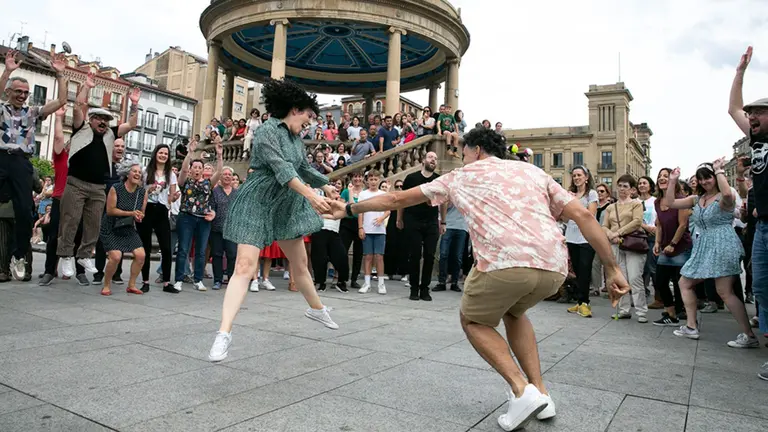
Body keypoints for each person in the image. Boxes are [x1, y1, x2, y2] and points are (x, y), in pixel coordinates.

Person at [326, 127, 629, 431]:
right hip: (553, 266)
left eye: (464, 152)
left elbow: (395, 198)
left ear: (477, 150)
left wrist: (350, 208)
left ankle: (521, 390)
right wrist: (612, 268)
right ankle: (542, 394)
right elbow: (584, 216)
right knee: (514, 312)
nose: (462, 158)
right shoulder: (533, 172)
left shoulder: (461, 176)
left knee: (473, 321)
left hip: (504, 262)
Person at [208, 78, 339, 362]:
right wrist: (312, 195)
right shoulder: (268, 130)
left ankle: (317, 309)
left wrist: (326, 185)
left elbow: (303, 168)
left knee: (300, 265)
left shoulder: (296, 140)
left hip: (285, 203)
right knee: (244, 266)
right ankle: (223, 333)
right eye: (308, 116)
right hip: (258, 200)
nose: (310, 122)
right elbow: (282, 169)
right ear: (295, 109)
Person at [665, 162, 757, 347]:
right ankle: (691, 326)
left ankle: (749, 335)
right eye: (700, 178)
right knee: (685, 283)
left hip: (723, 244)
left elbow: (728, 194)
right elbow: (671, 203)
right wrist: (672, 181)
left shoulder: (723, 197)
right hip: (704, 246)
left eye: (708, 177)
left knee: (724, 291)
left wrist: (719, 170)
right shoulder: (696, 199)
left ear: (715, 177)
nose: (704, 181)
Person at [57, 75, 141, 278]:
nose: (103, 122)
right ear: (91, 119)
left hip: (98, 186)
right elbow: (78, 106)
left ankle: (84, 255)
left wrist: (134, 104)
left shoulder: (111, 133)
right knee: (70, 220)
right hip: (76, 183)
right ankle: (66, 255)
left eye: (106, 120)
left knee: (94, 223)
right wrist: (86, 86)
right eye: (99, 119)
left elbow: (131, 124)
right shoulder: (81, 128)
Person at [0, 48, 68, 280]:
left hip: (21, 161)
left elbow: (61, 100)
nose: (22, 95)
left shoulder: (33, 112)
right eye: (18, 91)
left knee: (24, 210)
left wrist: (60, 74)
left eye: (26, 92)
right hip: (1, 157)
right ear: (8, 92)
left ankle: (19, 255)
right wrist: (7, 71)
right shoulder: (2, 109)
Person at [728, 45, 768, 380]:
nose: (752, 117)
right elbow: (733, 108)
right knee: (763, 289)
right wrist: (740, 71)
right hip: (762, 226)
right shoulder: (755, 141)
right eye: (751, 113)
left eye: (760, 113)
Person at [173, 138, 222, 292]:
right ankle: (179, 279)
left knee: (201, 251)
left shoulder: (208, 183)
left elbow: (219, 172)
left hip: (203, 219)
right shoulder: (185, 181)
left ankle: (198, 279)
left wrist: (219, 156)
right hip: (186, 217)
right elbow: (183, 171)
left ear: (202, 170)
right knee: (183, 249)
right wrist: (190, 153)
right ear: (191, 169)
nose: (197, 170)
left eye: (199, 168)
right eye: (194, 167)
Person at [601, 174, 648, 322]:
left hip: (633, 243)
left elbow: (637, 222)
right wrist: (610, 235)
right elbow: (604, 226)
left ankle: (641, 311)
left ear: (632, 189)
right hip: (615, 244)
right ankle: (623, 309)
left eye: (625, 186)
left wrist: (618, 233)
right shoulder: (611, 207)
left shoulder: (636, 204)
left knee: (635, 277)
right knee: (620, 278)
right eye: (620, 186)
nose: (622, 189)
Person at [399, 152, 444, 301]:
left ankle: (425, 288)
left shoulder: (438, 180)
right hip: (413, 220)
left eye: (436, 158)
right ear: (423, 160)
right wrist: (399, 218)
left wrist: (443, 222)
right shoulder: (411, 178)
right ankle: (414, 288)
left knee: (430, 255)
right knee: (415, 255)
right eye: (431, 157)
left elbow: (443, 201)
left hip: (431, 222)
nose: (433, 160)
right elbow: (402, 199)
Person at [98, 160, 147, 296]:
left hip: (127, 227)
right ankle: (106, 285)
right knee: (115, 256)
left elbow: (141, 212)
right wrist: (131, 213)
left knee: (141, 255)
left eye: (139, 172)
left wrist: (139, 216)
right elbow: (110, 210)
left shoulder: (142, 192)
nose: (137, 174)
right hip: (111, 226)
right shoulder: (116, 188)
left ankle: (131, 285)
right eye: (134, 171)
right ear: (127, 173)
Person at [652, 168, 692, 326]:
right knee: (660, 282)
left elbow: (683, 225)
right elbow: (659, 225)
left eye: (666, 176)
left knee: (680, 283)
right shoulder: (657, 202)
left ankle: (687, 316)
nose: (662, 178)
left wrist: (673, 244)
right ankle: (671, 314)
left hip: (681, 247)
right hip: (665, 247)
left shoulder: (681, 200)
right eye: (660, 176)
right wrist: (657, 242)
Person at [137, 144, 176, 292]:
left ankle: (166, 282)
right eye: (161, 153)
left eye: (166, 154)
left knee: (166, 247)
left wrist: (172, 200)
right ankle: (145, 281)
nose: (163, 156)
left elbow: (172, 194)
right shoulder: (146, 171)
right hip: (147, 208)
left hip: (161, 209)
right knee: (145, 247)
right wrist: (149, 190)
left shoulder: (170, 174)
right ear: (155, 154)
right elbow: (139, 190)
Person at [564, 166, 599, 317]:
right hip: (571, 236)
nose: (576, 178)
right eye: (574, 176)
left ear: (586, 177)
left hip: (586, 237)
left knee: (585, 270)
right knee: (577, 271)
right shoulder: (570, 194)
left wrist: (574, 207)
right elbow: (565, 217)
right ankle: (580, 302)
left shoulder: (591, 194)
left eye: (579, 175)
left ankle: (585, 303)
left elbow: (590, 214)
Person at [311, 178, 349, 293]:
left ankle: (341, 281)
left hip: (334, 233)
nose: (334, 191)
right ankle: (320, 282)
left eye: (336, 189)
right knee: (319, 258)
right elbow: (315, 213)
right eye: (331, 188)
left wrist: (328, 214)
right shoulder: (319, 199)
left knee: (341, 256)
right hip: (320, 230)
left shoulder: (341, 203)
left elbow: (342, 213)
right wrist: (330, 215)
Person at [357, 170, 389, 294]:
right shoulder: (363, 194)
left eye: (375, 179)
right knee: (368, 256)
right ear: (367, 181)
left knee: (379, 256)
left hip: (380, 230)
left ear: (379, 180)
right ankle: (367, 283)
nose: (373, 182)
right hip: (367, 228)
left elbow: (388, 210)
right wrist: (360, 227)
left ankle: (381, 283)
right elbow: (360, 212)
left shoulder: (383, 194)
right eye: (371, 179)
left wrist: (381, 218)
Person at [210, 167, 238, 290]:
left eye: (229, 174)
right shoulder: (215, 192)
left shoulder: (237, 193)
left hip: (232, 230)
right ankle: (217, 280)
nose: (227, 176)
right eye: (225, 174)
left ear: (232, 177)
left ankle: (231, 279)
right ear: (220, 177)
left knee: (232, 254)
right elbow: (211, 208)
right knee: (217, 254)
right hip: (216, 229)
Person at [435, 201, 469, 292]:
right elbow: (442, 206)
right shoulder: (450, 194)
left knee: (457, 256)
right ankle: (441, 282)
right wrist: (442, 222)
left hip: (462, 226)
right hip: (448, 225)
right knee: (443, 254)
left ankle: (454, 282)